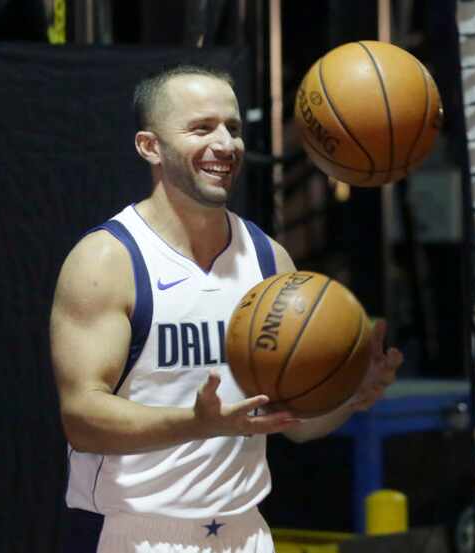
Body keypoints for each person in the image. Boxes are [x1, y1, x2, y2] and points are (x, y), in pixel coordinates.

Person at [50, 64, 403, 553]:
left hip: (247, 532)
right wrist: (199, 423)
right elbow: (81, 417)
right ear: (149, 146)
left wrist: (348, 395)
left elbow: (295, 425)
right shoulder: (108, 260)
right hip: (143, 533)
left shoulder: (266, 258)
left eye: (233, 128)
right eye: (202, 128)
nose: (226, 144)